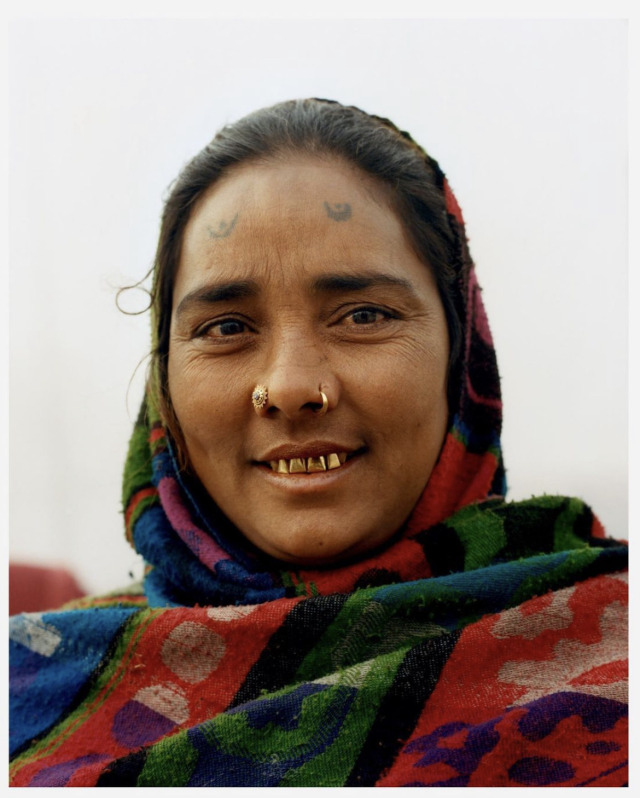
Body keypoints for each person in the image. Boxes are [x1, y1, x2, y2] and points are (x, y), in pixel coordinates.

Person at [9, 99, 627, 787]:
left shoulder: (612, 652)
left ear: (461, 354)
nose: (291, 387)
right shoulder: (31, 690)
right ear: (164, 385)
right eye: (226, 327)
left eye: (364, 315)